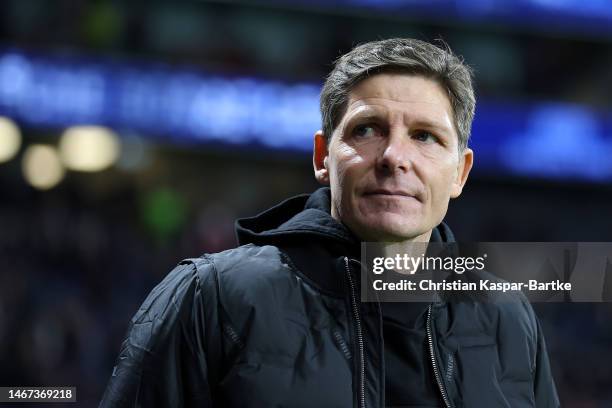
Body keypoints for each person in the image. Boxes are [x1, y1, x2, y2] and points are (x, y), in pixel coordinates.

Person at [100, 38, 560, 407]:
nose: (394, 157)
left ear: (460, 172)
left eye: (425, 136)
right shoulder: (209, 298)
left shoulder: (510, 319)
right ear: (323, 157)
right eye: (367, 129)